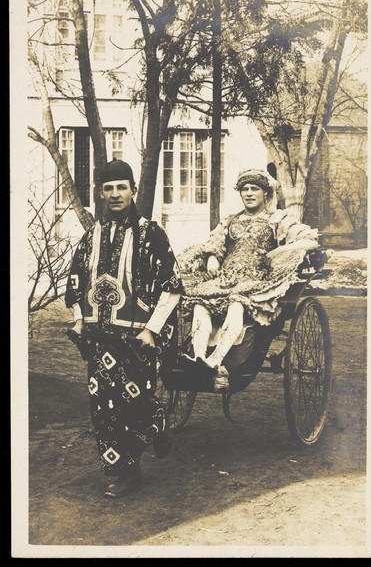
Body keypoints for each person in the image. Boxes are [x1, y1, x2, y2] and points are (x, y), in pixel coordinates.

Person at [65, 159, 183, 498]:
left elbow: (172, 285)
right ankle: (124, 474)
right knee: (104, 412)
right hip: (99, 341)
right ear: (101, 194)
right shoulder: (91, 237)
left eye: (121, 187)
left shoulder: (151, 234)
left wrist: (153, 331)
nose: (115, 194)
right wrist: (77, 318)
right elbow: (75, 283)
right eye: (108, 188)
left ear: (133, 190)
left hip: (138, 341)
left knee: (137, 404)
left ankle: (157, 422)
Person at [178, 167, 319, 390]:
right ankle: (198, 358)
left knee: (236, 305)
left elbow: (310, 240)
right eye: (245, 189)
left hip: (255, 282)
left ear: (265, 193)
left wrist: (277, 253)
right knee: (199, 306)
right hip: (225, 280)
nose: (249, 193)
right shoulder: (231, 220)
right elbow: (214, 242)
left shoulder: (277, 219)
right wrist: (213, 257)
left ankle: (216, 359)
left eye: (255, 189)